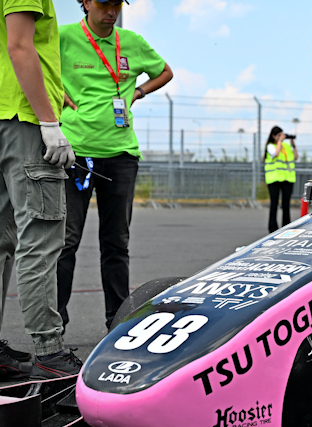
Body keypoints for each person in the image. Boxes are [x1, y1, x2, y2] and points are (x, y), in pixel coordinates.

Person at [56, 0, 173, 331]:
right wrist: (55, 92)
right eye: (104, 3)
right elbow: (32, 64)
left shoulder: (131, 41)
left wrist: (139, 92)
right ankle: (55, 326)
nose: (112, 11)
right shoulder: (63, 36)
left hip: (121, 154)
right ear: (86, 2)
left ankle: (118, 323)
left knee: (116, 243)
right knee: (66, 241)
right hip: (75, 153)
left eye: (117, 4)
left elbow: (165, 71)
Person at [0, 0, 80, 380]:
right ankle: (49, 351)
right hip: (24, 119)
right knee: (41, 237)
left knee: (1, 241)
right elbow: (20, 44)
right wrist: (48, 121)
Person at [264, 126, 298, 233]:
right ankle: (272, 228)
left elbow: (296, 157)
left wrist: (293, 144)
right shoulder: (270, 146)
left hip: (287, 179)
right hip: (274, 179)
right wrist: (279, 141)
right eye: (279, 135)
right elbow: (276, 153)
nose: (282, 137)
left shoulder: (286, 146)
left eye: (282, 135)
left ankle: (286, 226)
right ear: (273, 136)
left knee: (286, 205)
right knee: (274, 204)